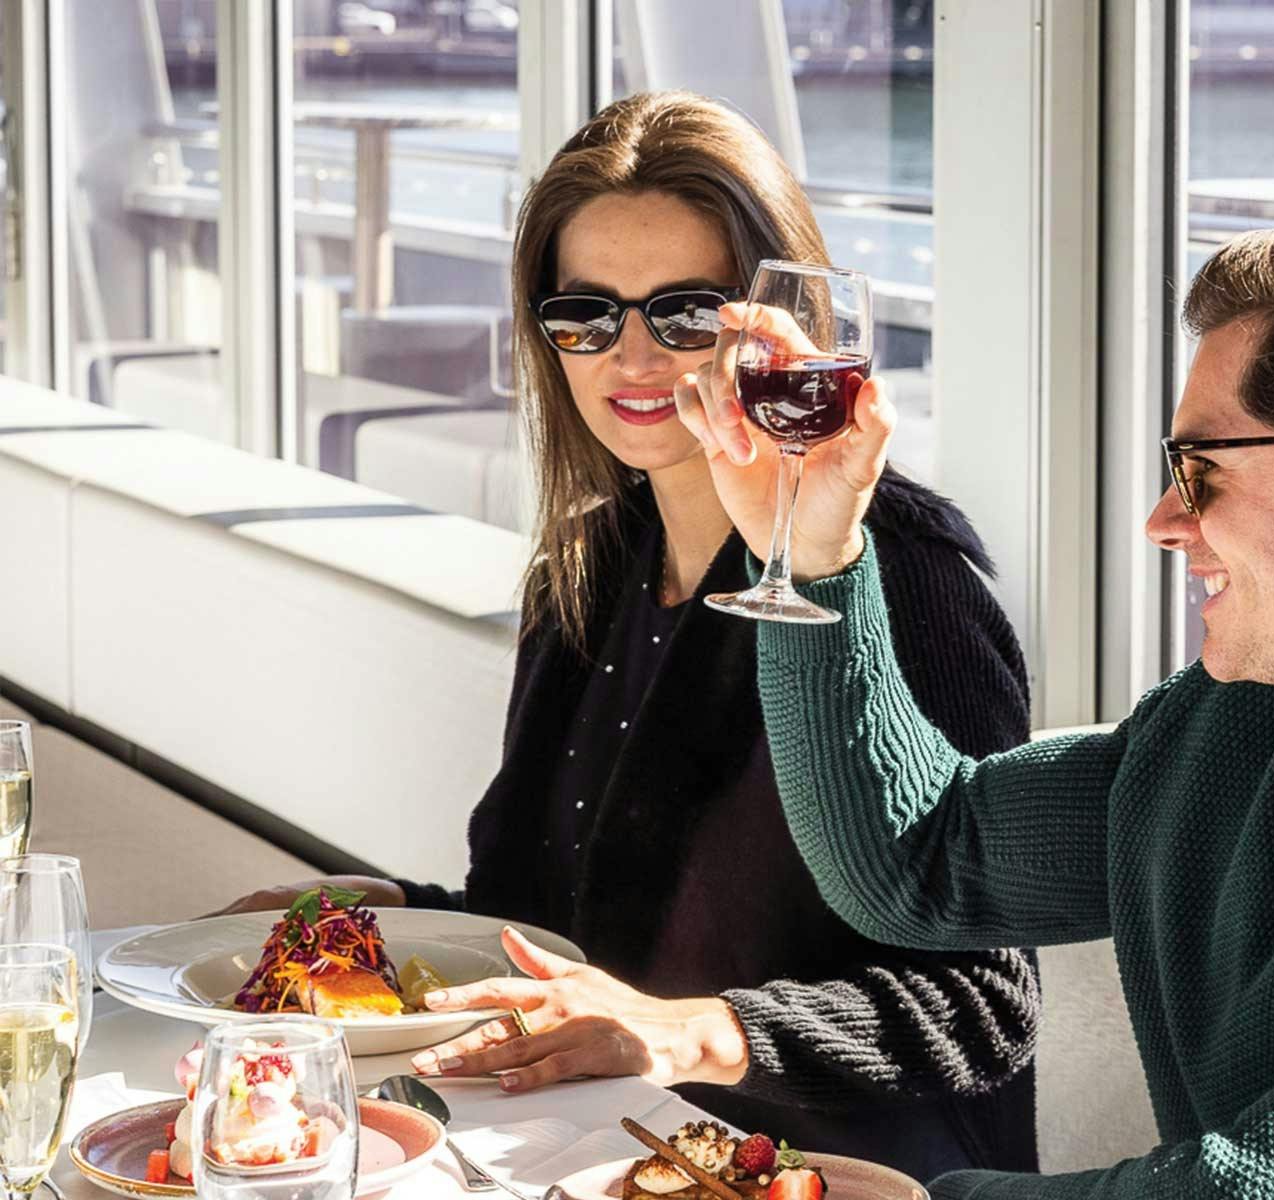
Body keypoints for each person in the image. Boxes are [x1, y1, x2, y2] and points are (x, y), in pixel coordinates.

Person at [676, 216, 1274, 1198]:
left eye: (1199, 472)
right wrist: (818, 556)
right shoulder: (1227, 732)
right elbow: (916, 862)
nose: (1163, 520)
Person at [218, 91, 1040, 1177]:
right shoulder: (589, 564)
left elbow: (984, 1001)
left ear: (779, 323)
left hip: (829, 1170)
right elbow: (563, 922)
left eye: (687, 312)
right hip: (589, 1148)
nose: (634, 356)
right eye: (587, 315)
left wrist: (694, 1028)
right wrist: (386, 920)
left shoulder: (906, 575)